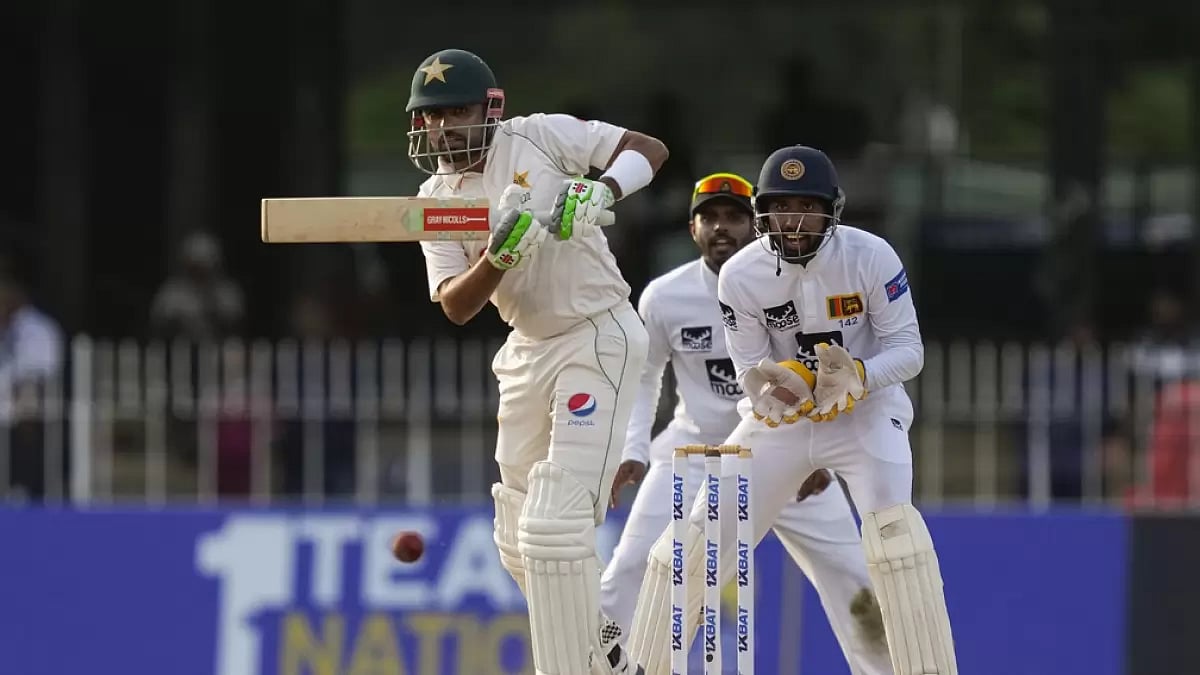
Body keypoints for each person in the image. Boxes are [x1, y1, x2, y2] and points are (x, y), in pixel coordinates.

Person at [626, 146, 958, 674]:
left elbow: (909, 350)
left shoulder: (871, 257)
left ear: (834, 210)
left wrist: (861, 375)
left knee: (895, 547)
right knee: (692, 543)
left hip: (865, 413)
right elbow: (750, 372)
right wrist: (776, 390)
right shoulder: (741, 274)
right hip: (785, 420)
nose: (794, 221)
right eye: (781, 207)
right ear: (762, 213)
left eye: (808, 206)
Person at [410, 48, 668, 674]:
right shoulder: (433, 198)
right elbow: (455, 305)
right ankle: (612, 660)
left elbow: (648, 148)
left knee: (556, 522)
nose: (444, 128)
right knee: (517, 539)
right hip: (526, 348)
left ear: (489, 110)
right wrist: (497, 256)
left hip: (595, 333)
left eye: (457, 112)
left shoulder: (539, 137)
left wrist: (601, 188)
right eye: (432, 116)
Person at [599, 171, 889, 673]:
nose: (722, 228)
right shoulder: (664, 298)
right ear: (692, 229)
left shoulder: (793, 286)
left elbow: (826, 371)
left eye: (735, 216)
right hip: (693, 453)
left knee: (859, 587)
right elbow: (644, 379)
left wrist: (814, 451)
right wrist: (634, 449)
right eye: (708, 217)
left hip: (785, 453)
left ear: (756, 225)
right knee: (632, 567)